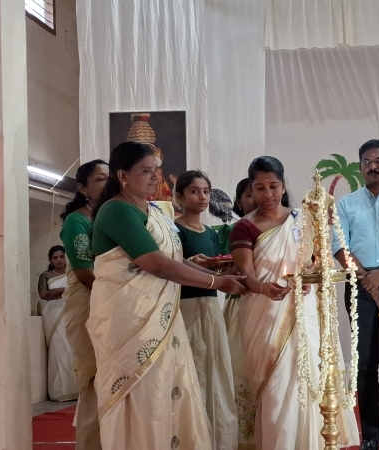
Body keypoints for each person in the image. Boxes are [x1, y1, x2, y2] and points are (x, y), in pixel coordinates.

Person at [87, 141, 248, 450]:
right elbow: (156, 264)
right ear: (123, 176)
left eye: (156, 171)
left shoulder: (153, 211)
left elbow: (174, 259)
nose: (154, 177)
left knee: (168, 389)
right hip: (130, 320)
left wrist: (217, 277)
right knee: (144, 394)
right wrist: (215, 283)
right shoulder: (117, 210)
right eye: (145, 171)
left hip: (160, 318)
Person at [229, 156, 359, 449]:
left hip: (304, 311)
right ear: (251, 189)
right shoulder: (244, 227)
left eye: (273, 186)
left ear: (283, 185)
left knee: (309, 377)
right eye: (260, 188)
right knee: (275, 390)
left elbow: (314, 261)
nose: (268, 194)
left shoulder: (301, 219)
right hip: (263, 313)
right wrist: (264, 288)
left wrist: (309, 276)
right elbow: (245, 273)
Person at [331, 139, 379, 450]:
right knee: (366, 360)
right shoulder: (345, 204)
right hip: (360, 285)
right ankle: (372, 431)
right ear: (360, 168)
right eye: (367, 161)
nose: (373, 166)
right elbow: (339, 246)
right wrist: (368, 279)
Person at [173, 170, 237, 449]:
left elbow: (219, 269)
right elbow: (173, 265)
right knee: (194, 369)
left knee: (216, 367)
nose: (202, 197)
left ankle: (218, 437)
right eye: (194, 191)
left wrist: (225, 269)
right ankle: (193, 436)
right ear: (179, 196)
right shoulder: (174, 230)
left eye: (206, 192)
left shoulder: (211, 232)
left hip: (211, 305)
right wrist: (197, 265)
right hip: (185, 306)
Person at [59, 159, 109, 449]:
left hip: (112, 304)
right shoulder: (77, 221)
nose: (107, 183)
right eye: (100, 179)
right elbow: (85, 273)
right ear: (83, 188)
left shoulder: (112, 215)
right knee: (93, 379)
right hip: (89, 304)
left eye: (109, 177)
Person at [225, 176, 258, 448]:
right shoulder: (234, 230)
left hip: (276, 307)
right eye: (249, 194)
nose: (256, 199)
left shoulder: (286, 226)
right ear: (238, 201)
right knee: (240, 367)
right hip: (242, 305)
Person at [39, 245, 79, 401]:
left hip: (72, 312)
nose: (59, 260)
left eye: (62, 256)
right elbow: (44, 294)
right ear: (50, 260)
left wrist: (60, 292)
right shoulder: (46, 276)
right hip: (54, 315)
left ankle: (75, 389)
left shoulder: (74, 273)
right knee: (59, 349)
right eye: (55, 258)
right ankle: (60, 391)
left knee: (73, 349)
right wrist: (67, 290)